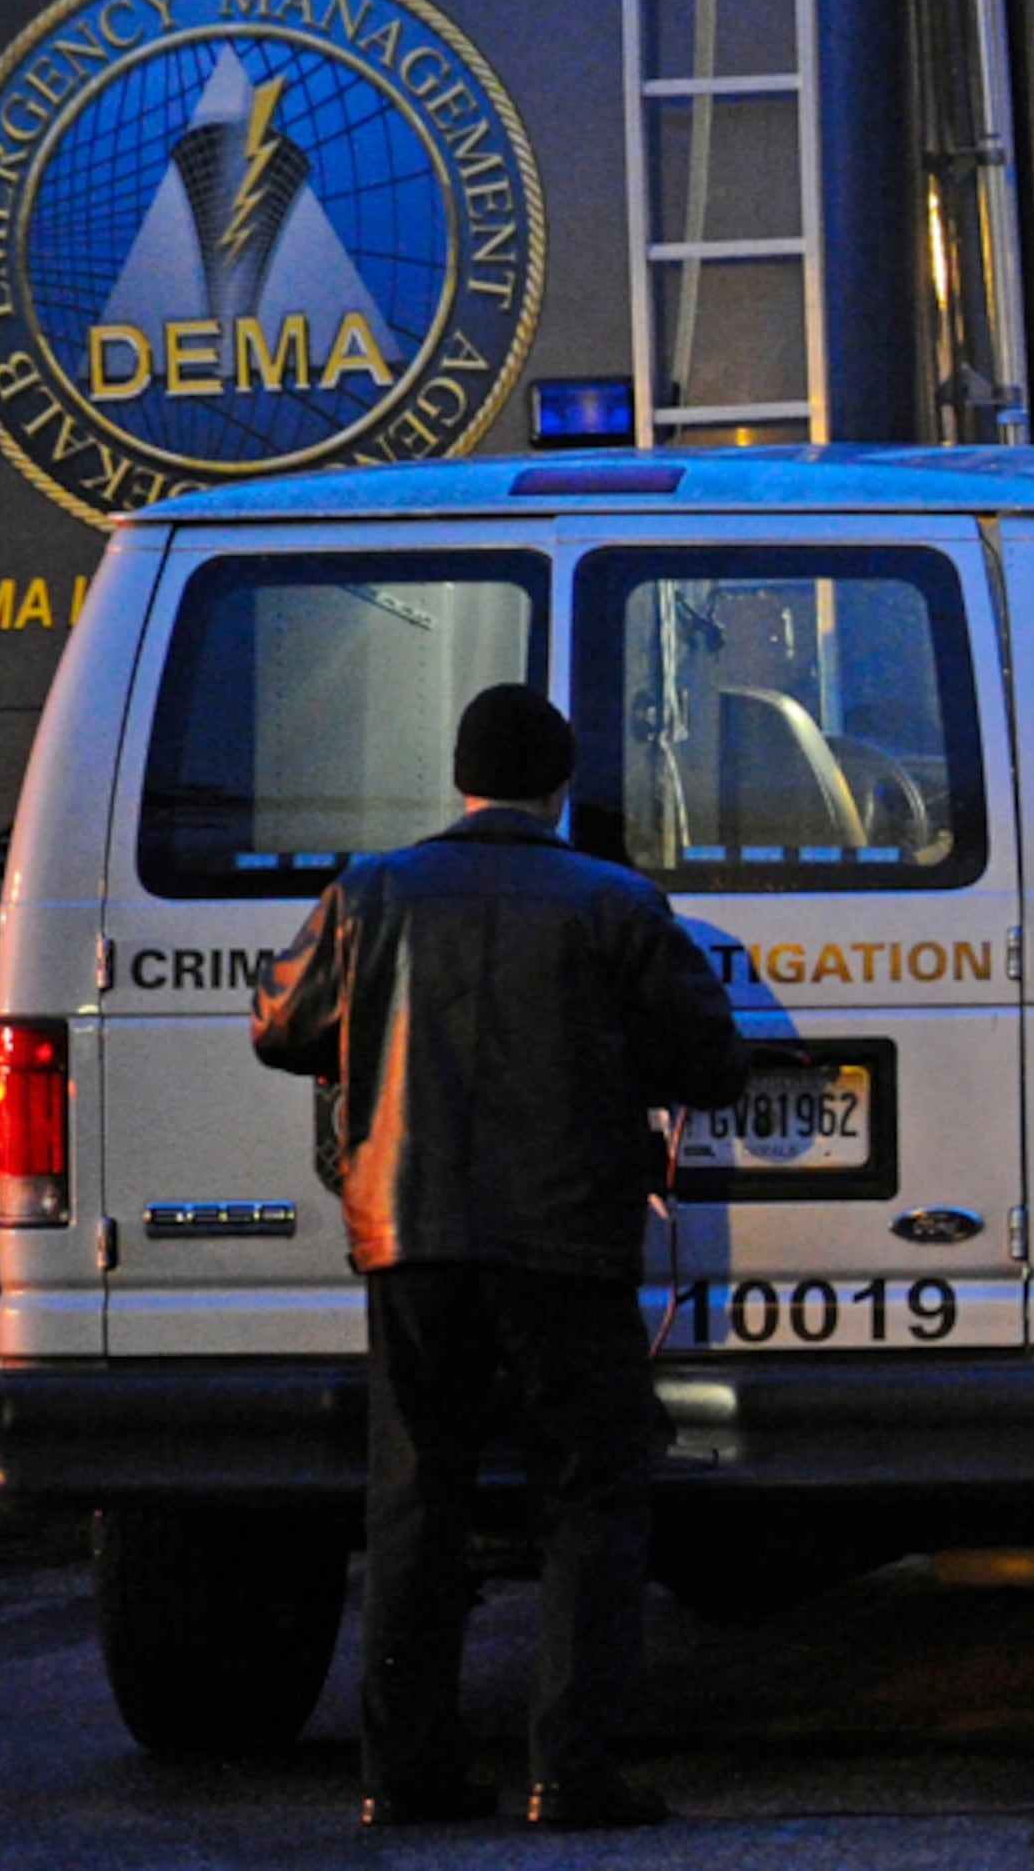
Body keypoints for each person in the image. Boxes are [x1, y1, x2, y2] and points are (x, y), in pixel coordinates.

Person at [251, 683, 745, 1830]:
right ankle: (570, 1771)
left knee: (415, 1503)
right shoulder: (613, 903)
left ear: (460, 780)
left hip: (408, 1238)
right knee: (591, 1497)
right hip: (565, 1243)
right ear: (561, 786)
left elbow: (280, 1027)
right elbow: (709, 1059)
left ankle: (404, 1777)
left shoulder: (370, 893)